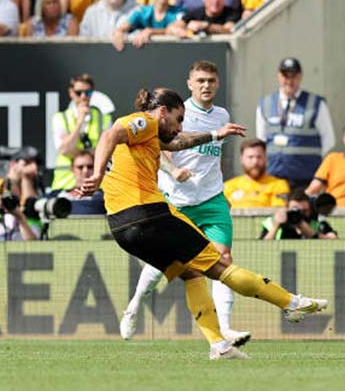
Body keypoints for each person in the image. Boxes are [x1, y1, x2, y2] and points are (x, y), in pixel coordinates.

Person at [78, 85, 327, 360]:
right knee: (220, 266)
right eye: (179, 119)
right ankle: (290, 303)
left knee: (191, 273)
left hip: (121, 228)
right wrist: (97, 174)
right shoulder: (145, 121)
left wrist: (215, 134)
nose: (180, 126)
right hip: (149, 215)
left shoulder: (148, 137)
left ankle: (219, 346)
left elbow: (179, 142)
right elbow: (110, 134)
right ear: (163, 112)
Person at [120, 61, 250, 345]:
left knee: (222, 260)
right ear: (190, 84)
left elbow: (212, 158)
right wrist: (173, 170)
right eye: (200, 80)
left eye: (211, 80)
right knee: (165, 263)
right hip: (177, 200)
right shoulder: (177, 114)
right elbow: (160, 148)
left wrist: (220, 192)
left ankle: (225, 329)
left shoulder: (222, 116)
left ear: (218, 84)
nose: (206, 85)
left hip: (211, 200)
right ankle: (134, 306)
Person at [256, 57, 336, 190]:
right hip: (274, 177)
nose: (289, 80)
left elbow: (329, 139)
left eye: (293, 76)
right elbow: (261, 139)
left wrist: (308, 160)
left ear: (300, 76)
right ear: (278, 76)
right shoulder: (266, 103)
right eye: (285, 75)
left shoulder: (315, 103)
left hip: (306, 178)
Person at [51, 73, 112, 191]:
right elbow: (65, 150)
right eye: (79, 93)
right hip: (65, 185)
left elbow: (108, 153)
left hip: (97, 186)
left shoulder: (104, 119)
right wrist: (80, 122)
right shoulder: (60, 118)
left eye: (88, 93)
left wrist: (76, 150)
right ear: (71, 93)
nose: (83, 97)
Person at [112, 0, 185, 50]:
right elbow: (123, 28)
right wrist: (118, 33)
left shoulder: (178, 13)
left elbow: (176, 29)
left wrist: (150, 31)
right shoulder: (142, 12)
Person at [223, 138, 290, 208]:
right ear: (241, 159)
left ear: (265, 158)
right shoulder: (227, 187)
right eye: (250, 157)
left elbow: (278, 212)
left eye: (259, 157)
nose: (255, 162)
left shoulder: (278, 185)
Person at [259, 188, 338, 239]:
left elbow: (334, 240)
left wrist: (311, 233)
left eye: (304, 211)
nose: (300, 215)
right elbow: (261, 247)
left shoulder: (317, 223)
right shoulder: (271, 223)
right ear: (287, 208)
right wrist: (276, 226)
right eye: (295, 210)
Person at [49, 150, 106, 214]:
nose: (85, 171)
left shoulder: (105, 196)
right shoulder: (56, 194)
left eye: (90, 167)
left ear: (95, 169)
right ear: (72, 169)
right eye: (80, 167)